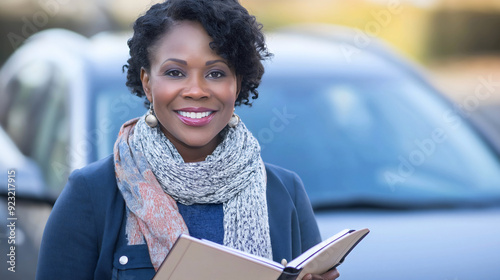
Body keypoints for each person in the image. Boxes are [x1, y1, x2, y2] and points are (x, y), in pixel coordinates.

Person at [36, 0, 340, 279]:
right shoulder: (92, 194)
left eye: (217, 73)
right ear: (147, 82)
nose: (196, 90)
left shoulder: (285, 193)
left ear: (237, 84)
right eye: (175, 72)